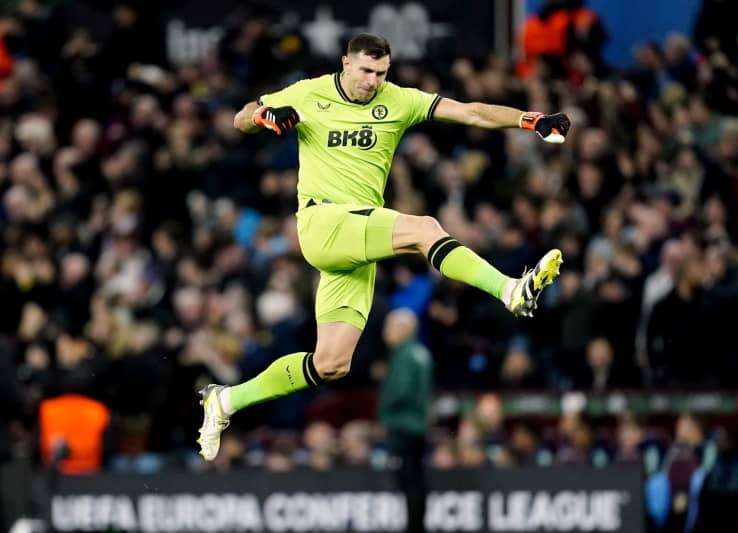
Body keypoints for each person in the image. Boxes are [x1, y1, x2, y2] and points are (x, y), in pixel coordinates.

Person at [197, 33, 571, 461]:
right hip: (322, 223)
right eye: (366, 71)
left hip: (359, 237)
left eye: (381, 73)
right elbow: (239, 118)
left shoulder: (398, 100)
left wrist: (531, 119)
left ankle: (225, 401)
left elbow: (470, 113)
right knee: (423, 227)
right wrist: (265, 115)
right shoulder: (308, 92)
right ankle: (510, 290)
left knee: (331, 363)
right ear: (345, 64)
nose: (373, 81)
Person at [378, 309, 432, 533]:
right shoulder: (421, 353)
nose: (385, 332)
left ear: (403, 329)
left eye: (389, 327)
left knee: (408, 480)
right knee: (416, 479)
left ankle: (414, 527)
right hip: (418, 424)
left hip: (402, 424)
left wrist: (383, 409)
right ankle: (417, 525)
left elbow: (400, 390)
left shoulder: (404, 354)